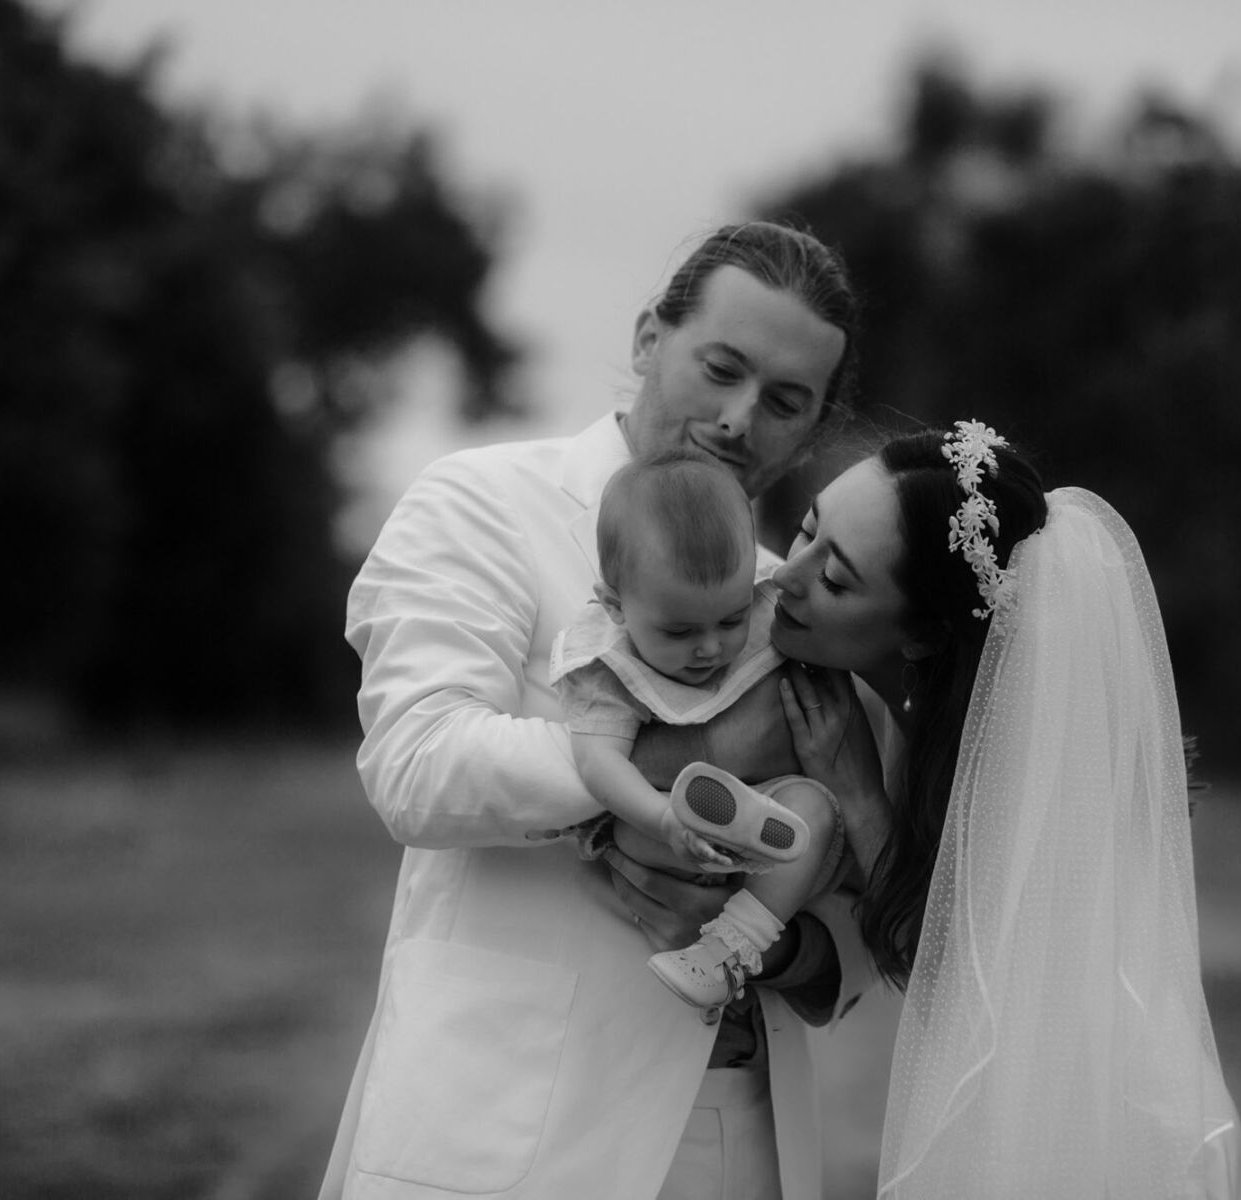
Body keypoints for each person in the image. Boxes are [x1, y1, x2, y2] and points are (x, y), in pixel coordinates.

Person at [319, 221, 878, 1200]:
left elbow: (850, 944)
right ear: (647, 340)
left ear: (817, 425)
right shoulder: (481, 501)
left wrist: (774, 938)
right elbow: (414, 766)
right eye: (721, 367)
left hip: (738, 1133)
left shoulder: (789, 602)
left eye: (785, 401)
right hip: (510, 1133)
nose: (741, 419)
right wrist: (673, 770)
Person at [762, 420, 1241, 1198]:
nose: (786, 577)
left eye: (836, 581)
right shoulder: (910, 707)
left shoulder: (1022, 753)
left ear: (923, 636)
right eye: (804, 529)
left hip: (1093, 1135)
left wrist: (857, 791)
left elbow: (979, 993)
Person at [551, 448, 848, 1010]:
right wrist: (662, 818)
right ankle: (712, 827)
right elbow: (599, 762)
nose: (711, 647)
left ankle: (731, 951)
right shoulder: (607, 664)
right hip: (669, 830)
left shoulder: (767, 609)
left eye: (732, 619)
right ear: (614, 607)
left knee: (812, 808)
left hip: (773, 814)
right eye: (680, 630)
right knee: (623, 826)